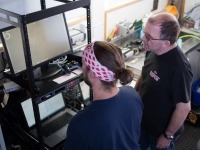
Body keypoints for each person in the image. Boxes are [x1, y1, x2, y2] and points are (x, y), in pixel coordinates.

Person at [64, 41, 143, 150]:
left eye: (83, 64)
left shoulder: (80, 123)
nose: (81, 68)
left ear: (92, 75)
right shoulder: (132, 95)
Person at [135, 12, 193, 150]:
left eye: (148, 36)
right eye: (145, 32)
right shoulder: (152, 49)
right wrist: (135, 96)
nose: (143, 38)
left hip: (160, 131)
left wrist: (168, 135)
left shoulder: (180, 69)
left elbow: (184, 108)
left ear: (166, 43)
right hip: (144, 122)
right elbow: (145, 73)